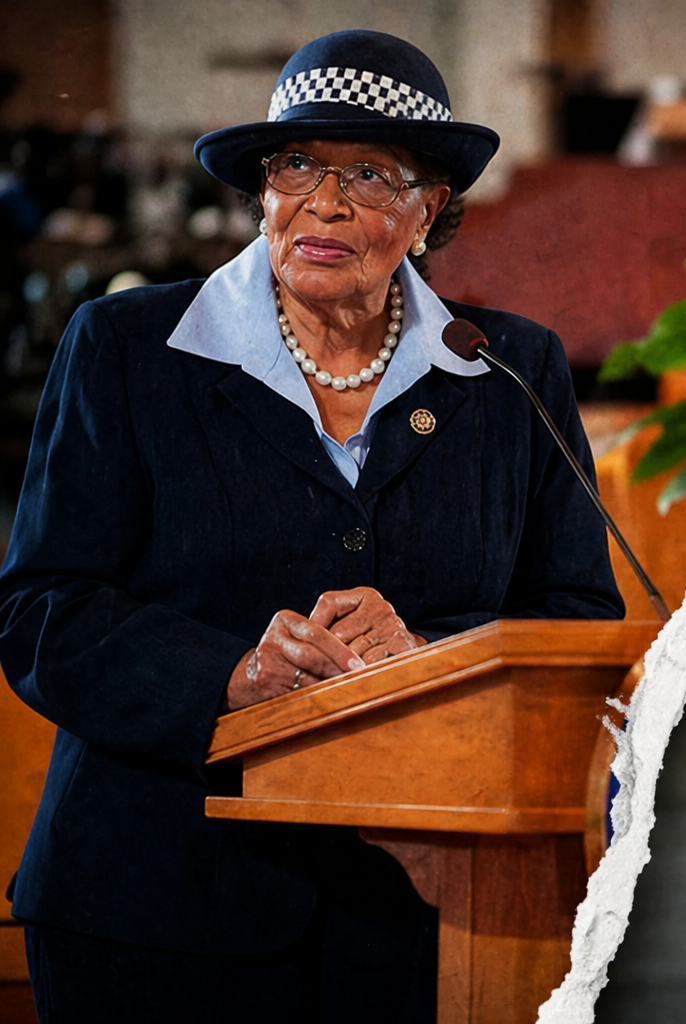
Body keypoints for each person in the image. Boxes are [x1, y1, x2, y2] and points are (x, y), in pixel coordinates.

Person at [0, 30, 622, 1023]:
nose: (324, 202)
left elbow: (580, 621)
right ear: (262, 189)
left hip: (426, 919)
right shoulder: (128, 347)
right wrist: (234, 673)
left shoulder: (510, 369)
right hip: (152, 906)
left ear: (428, 208)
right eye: (297, 164)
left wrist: (427, 658)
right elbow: (44, 613)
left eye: (369, 174)